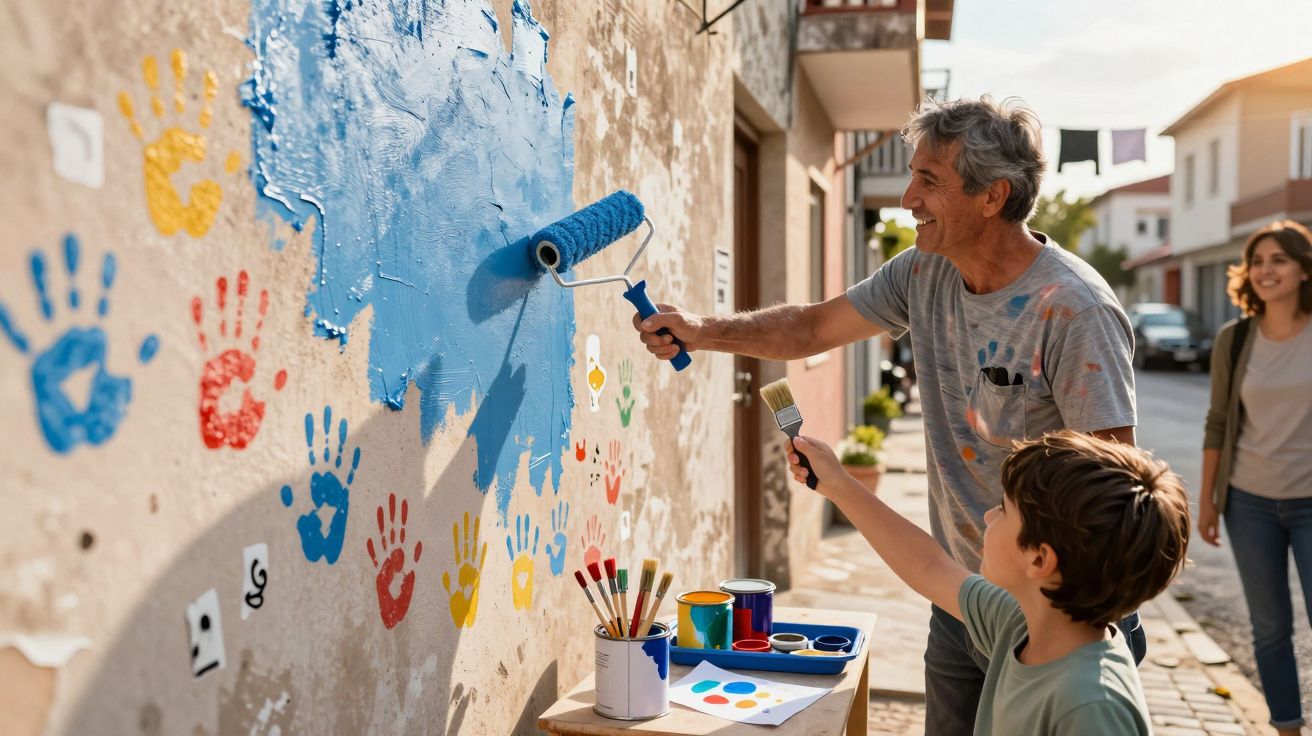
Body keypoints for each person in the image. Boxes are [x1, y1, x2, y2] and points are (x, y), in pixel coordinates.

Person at [633, 96, 1143, 733]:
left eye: (930, 180)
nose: (908, 197)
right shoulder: (924, 270)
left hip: (1060, 619)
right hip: (961, 601)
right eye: (912, 176)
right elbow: (813, 327)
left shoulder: (1075, 311)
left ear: (994, 196)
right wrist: (704, 330)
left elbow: (1115, 492)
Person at [782, 430, 1188, 735]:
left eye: (1004, 510)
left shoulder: (1090, 705)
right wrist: (837, 483)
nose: (988, 517)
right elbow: (928, 566)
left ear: (1040, 559)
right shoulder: (1020, 623)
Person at [1197, 220, 1312, 736]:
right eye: (1259, 261)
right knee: (1269, 628)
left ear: (1304, 269)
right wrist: (1206, 502)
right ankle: (1286, 727)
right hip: (1249, 503)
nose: (1266, 270)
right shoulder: (1235, 338)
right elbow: (1218, 421)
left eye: (1279, 260)